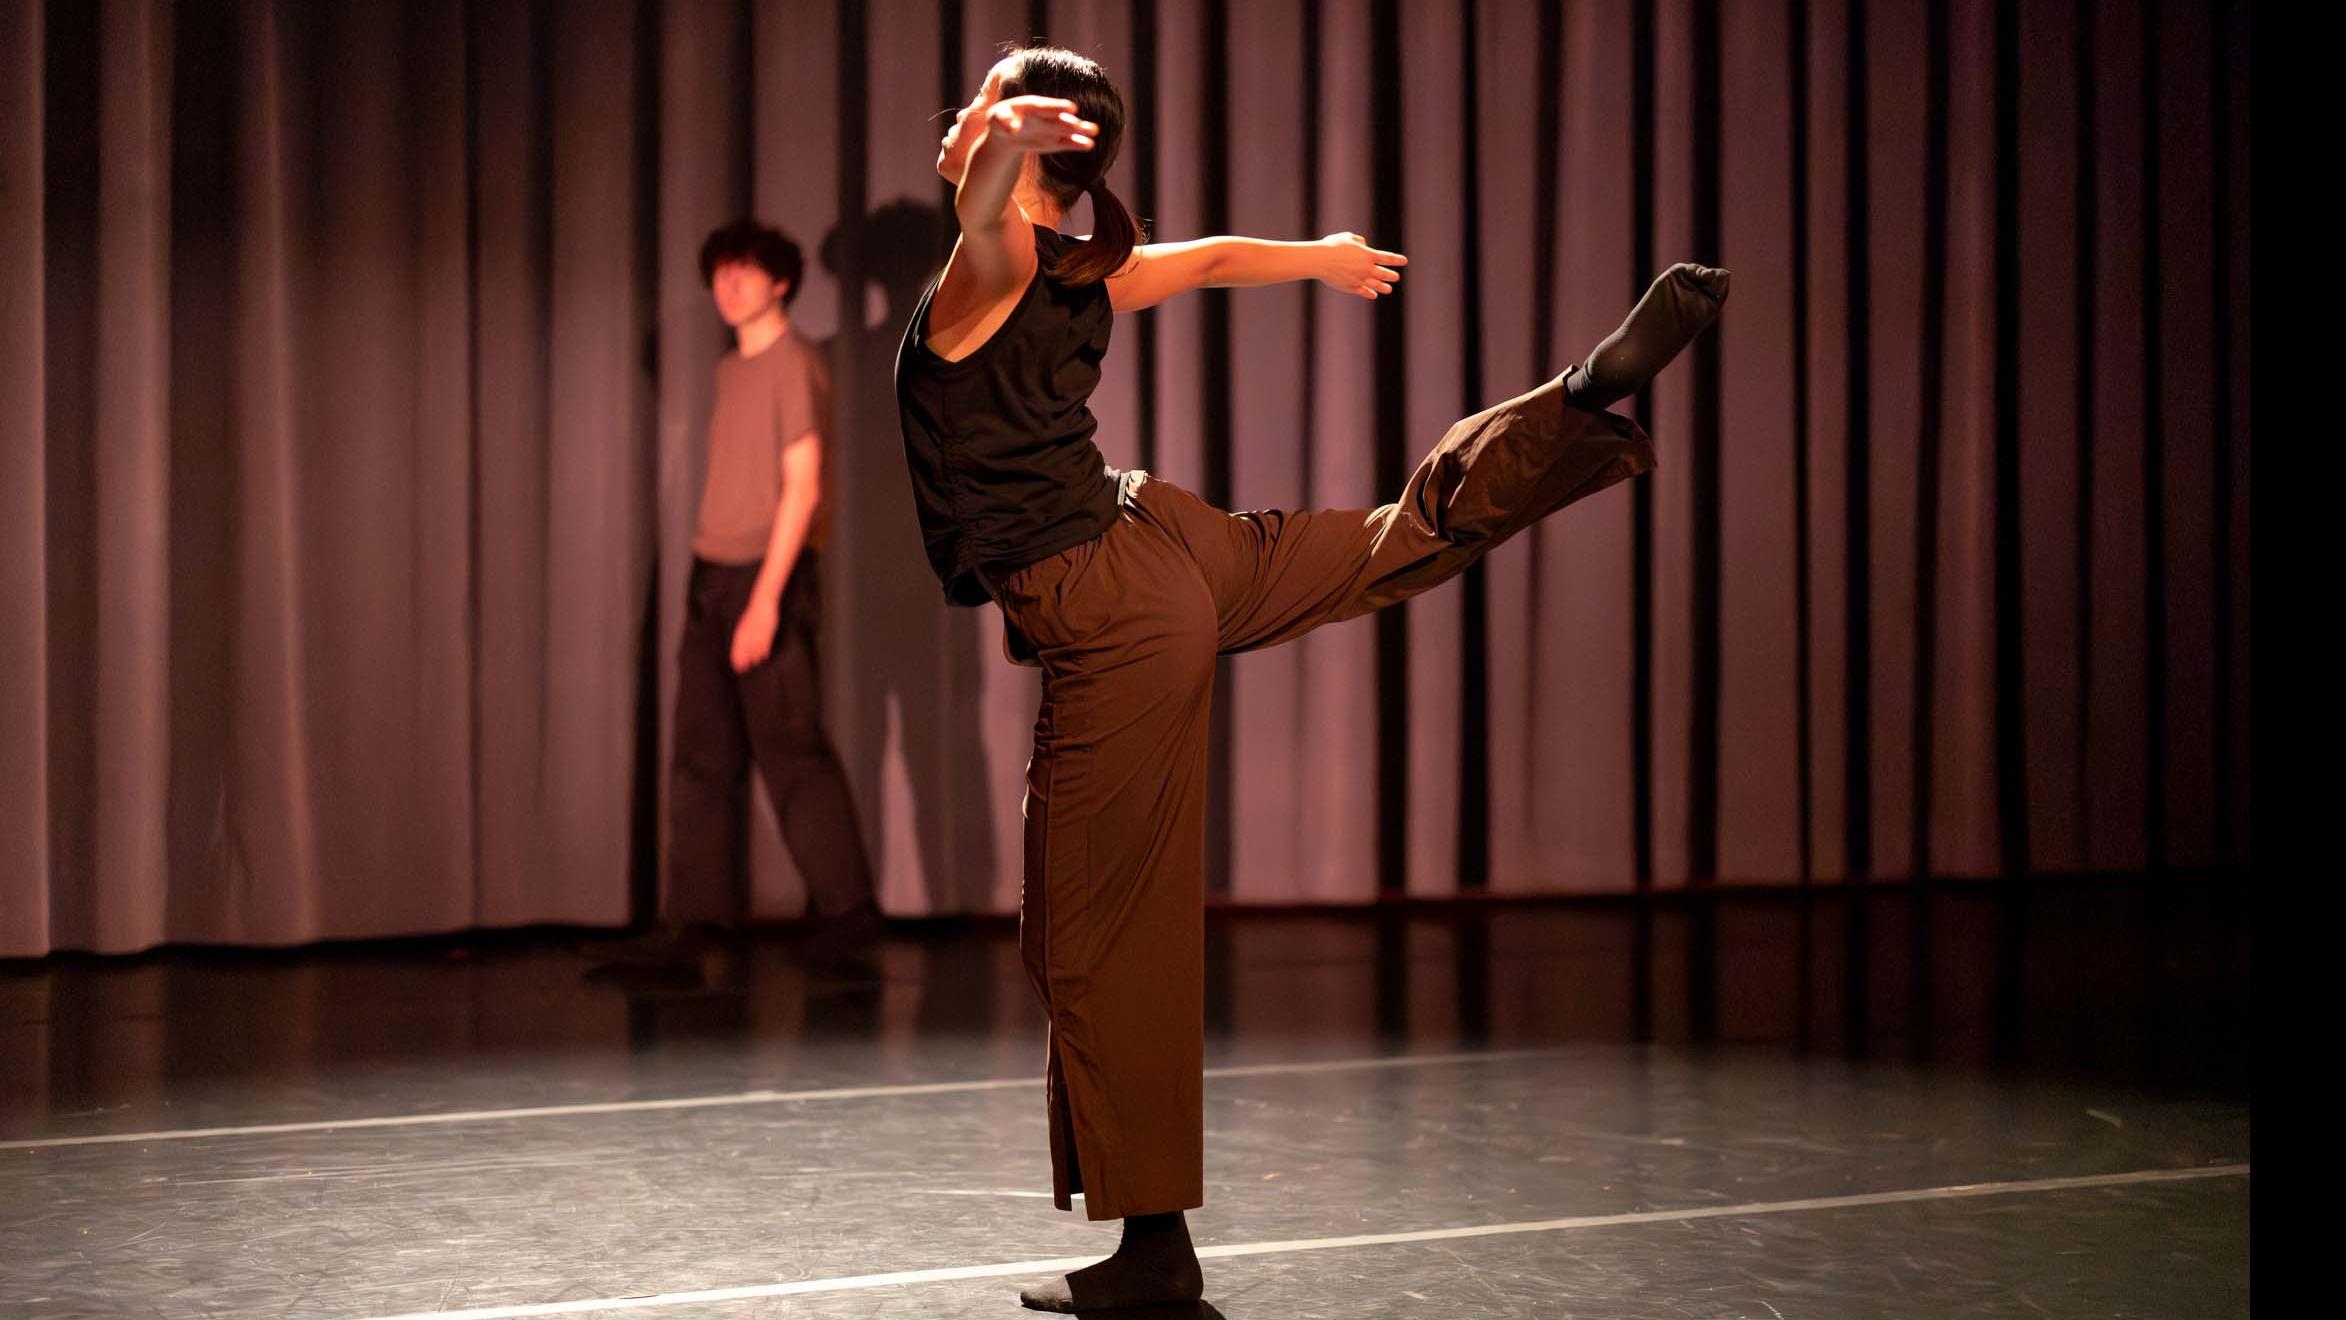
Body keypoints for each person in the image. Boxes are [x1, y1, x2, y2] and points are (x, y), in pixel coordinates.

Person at [895, 47, 1727, 1312]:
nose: (960, 119)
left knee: (1091, 937)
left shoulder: (998, 261)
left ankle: (1155, 1256)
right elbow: (1213, 259)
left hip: (1110, 603)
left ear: (1028, 164)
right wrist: (1321, 250)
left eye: (989, 105)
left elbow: (980, 209)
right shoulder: (1082, 263)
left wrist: (1002, 139)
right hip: (1167, 541)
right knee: (1392, 541)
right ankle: (1571, 405)